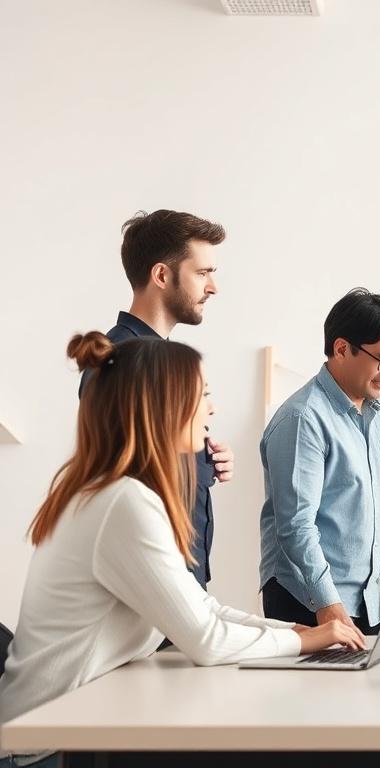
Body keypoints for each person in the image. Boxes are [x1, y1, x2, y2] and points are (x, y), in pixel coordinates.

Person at [0, 333, 362, 768]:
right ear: (165, 406)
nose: (212, 408)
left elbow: (200, 609)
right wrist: (301, 642)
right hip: (42, 748)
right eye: (203, 394)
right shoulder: (122, 503)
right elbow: (206, 640)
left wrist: (295, 633)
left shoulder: (111, 492)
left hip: (62, 729)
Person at [79, 209, 235, 589]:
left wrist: (203, 462)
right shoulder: (126, 360)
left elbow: (153, 461)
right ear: (162, 275)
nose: (213, 287)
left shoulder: (157, 359)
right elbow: (123, 480)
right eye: (202, 273)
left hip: (174, 584)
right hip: (154, 587)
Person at [259, 288, 380, 638]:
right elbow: (296, 526)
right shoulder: (302, 419)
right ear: (342, 349)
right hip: (308, 602)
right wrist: (327, 604)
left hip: (367, 603)